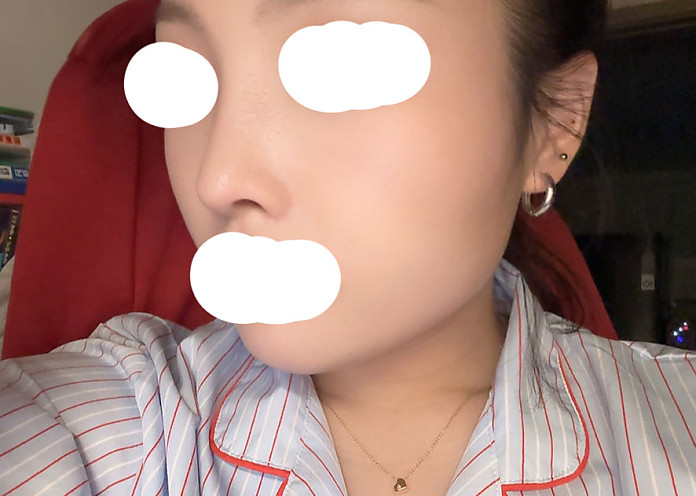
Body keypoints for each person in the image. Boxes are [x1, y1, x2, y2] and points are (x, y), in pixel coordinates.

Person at [0, 0, 694, 495]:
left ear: (555, 124)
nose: (219, 178)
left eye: (337, 70)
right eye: (186, 79)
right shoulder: (125, 421)